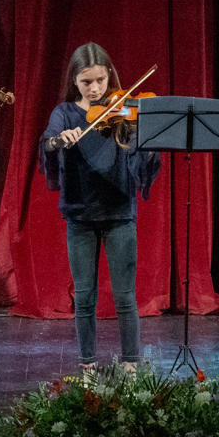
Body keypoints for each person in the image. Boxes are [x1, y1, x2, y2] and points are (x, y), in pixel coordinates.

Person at [37, 42, 160, 375]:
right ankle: (88, 366)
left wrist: (142, 137)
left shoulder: (122, 112)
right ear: (74, 81)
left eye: (101, 81)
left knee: (125, 297)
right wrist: (59, 141)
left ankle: (132, 366)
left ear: (110, 78)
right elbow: (46, 143)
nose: (94, 90)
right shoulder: (64, 114)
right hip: (80, 216)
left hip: (119, 213)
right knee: (86, 297)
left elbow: (144, 158)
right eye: (86, 82)